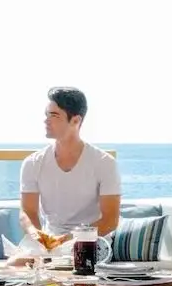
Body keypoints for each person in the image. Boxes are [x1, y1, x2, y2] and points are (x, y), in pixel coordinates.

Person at [15, 86, 121, 256]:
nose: (46, 120)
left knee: (67, 265)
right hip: (48, 244)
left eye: (54, 115)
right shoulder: (32, 163)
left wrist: (68, 240)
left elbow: (110, 220)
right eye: (46, 114)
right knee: (15, 266)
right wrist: (38, 237)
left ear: (76, 121)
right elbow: (28, 212)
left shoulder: (104, 163)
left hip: (90, 243)